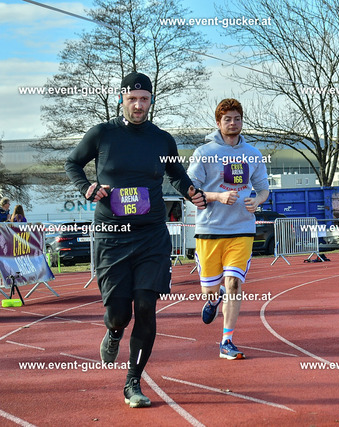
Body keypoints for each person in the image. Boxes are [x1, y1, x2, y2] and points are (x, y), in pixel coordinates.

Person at [65, 72, 205, 408]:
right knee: (119, 313)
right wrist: (86, 187)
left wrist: (191, 191)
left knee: (145, 306)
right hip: (112, 235)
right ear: (121, 100)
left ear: (151, 100)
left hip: (151, 235)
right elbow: (72, 163)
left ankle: (133, 381)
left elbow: (176, 174)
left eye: (144, 99)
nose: (138, 105)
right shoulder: (102, 134)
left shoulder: (162, 140)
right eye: (132, 99)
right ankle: (114, 331)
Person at [187, 98, 269, 360]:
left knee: (233, 283)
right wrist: (217, 196)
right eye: (227, 119)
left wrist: (257, 200)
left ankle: (227, 341)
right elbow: (190, 189)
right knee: (210, 289)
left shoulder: (253, 154)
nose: (233, 123)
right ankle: (214, 298)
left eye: (237, 119)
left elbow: (264, 189)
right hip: (210, 229)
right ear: (218, 122)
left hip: (242, 228)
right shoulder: (204, 152)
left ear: (242, 121)